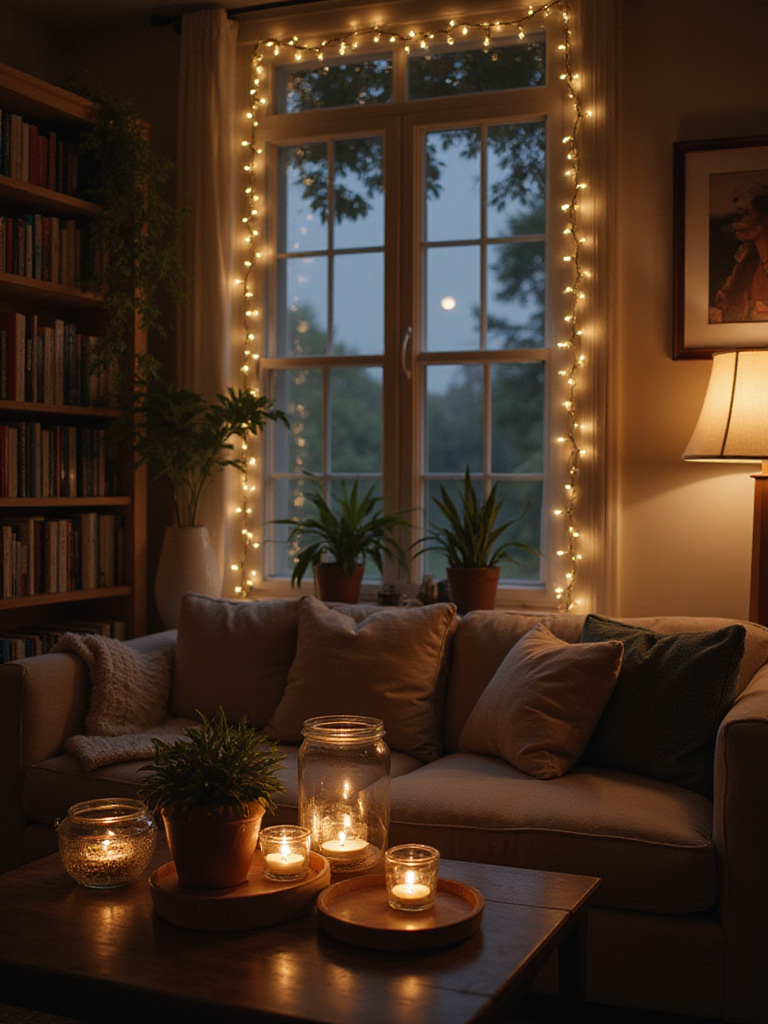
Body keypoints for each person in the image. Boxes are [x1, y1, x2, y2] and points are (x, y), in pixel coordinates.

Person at [710, 183, 768, 323]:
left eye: (746, 213)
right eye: (738, 214)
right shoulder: (746, 263)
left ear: (765, 218)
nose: (738, 221)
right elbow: (725, 305)